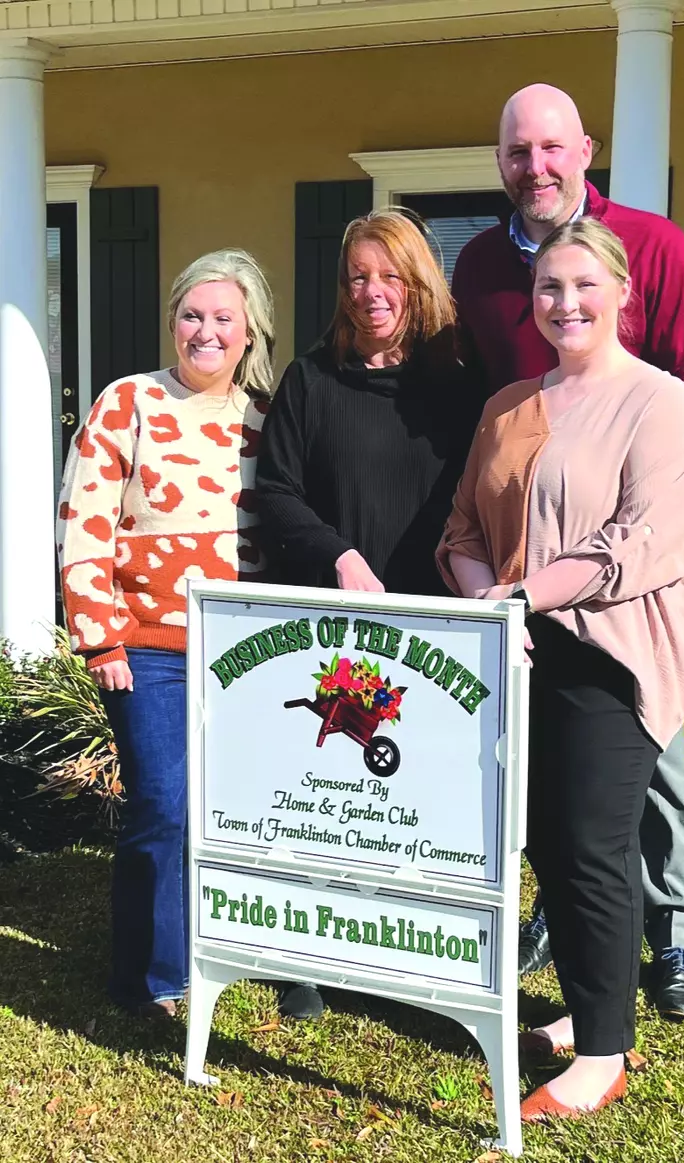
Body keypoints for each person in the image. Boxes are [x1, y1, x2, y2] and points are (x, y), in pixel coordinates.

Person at [452, 82, 684, 1020]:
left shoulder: (652, 244)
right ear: (501, 162)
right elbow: (489, 408)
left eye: (551, 148)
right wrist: (503, 569)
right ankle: (575, 930)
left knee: (648, 760)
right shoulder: (481, 264)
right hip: (529, 559)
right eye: (518, 151)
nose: (535, 166)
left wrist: (660, 531)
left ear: (585, 150)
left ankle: (676, 934)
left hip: (627, 571)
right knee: (560, 792)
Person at [256, 208, 475, 1019]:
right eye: (357, 275)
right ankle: (303, 956)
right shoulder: (311, 380)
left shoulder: (457, 384)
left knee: (408, 791)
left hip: (429, 622)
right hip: (332, 620)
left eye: (388, 275)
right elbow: (275, 491)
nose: (370, 291)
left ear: (417, 283)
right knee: (324, 787)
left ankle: (398, 945)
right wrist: (339, 555)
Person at [56, 249, 274, 1016]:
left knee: (228, 809)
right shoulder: (128, 402)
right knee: (160, 802)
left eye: (223, 319)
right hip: (146, 650)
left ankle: (225, 950)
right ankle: (150, 976)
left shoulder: (265, 417)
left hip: (244, 652)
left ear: (249, 332)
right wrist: (100, 636)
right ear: (172, 321)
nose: (205, 332)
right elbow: (84, 522)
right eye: (191, 315)